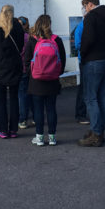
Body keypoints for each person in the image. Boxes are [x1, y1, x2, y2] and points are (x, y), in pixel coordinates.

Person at [77, 0, 105, 147]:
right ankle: (99, 130)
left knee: (91, 98)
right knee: (101, 97)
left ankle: (96, 133)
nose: (85, 9)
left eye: (85, 6)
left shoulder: (91, 17)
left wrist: (83, 55)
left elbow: (88, 39)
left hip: (93, 61)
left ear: (90, 4)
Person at [24, 15, 66, 146]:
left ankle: (40, 137)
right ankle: (52, 137)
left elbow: (26, 61)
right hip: (52, 80)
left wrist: (33, 73)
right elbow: (62, 60)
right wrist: (56, 73)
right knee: (51, 108)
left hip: (36, 81)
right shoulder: (57, 40)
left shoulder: (33, 40)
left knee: (38, 109)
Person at [0, 4, 25, 138]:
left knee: (1, 99)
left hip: (1, 68)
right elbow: (21, 47)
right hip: (15, 66)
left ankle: (3, 129)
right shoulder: (19, 29)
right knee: (14, 98)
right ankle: (14, 129)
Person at [17, 16, 34, 129]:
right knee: (31, 93)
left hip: (20, 68)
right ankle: (35, 117)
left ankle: (23, 119)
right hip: (30, 69)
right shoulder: (30, 38)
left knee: (22, 95)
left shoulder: (15, 37)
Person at [73, 14, 89, 124]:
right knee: (84, 87)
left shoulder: (84, 25)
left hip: (90, 60)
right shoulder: (81, 26)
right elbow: (78, 44)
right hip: (85, 60)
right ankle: (80, 114)